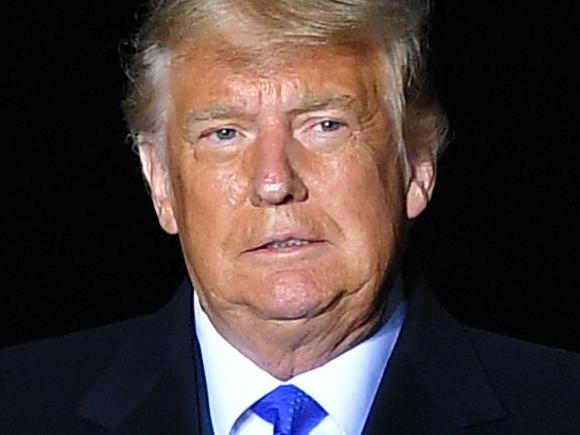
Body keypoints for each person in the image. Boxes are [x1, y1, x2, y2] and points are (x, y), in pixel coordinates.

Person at [1, 1, 579, 434]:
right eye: (224, 133)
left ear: (417, 166)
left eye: (325, 125)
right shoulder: (20, 405)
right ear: (160, 182)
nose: (274, 182)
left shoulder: (559, 408)